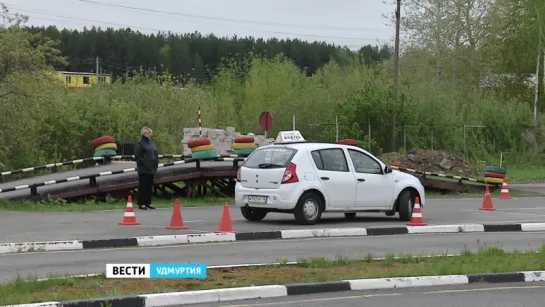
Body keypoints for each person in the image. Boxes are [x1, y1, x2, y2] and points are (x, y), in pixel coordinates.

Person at [134, 126, 159, 210]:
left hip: (151, 168)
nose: (149, 134)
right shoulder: (140, 143)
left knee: (149, 186)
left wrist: (155, 163)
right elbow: (138, 155)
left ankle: (148, 202)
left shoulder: (151, 142)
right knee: (143, 186)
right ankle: (142, 203)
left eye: (150, 133)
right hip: (143, 168)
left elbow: (155, 153)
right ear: (144, 133)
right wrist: (146, 163)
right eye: (148, 133)